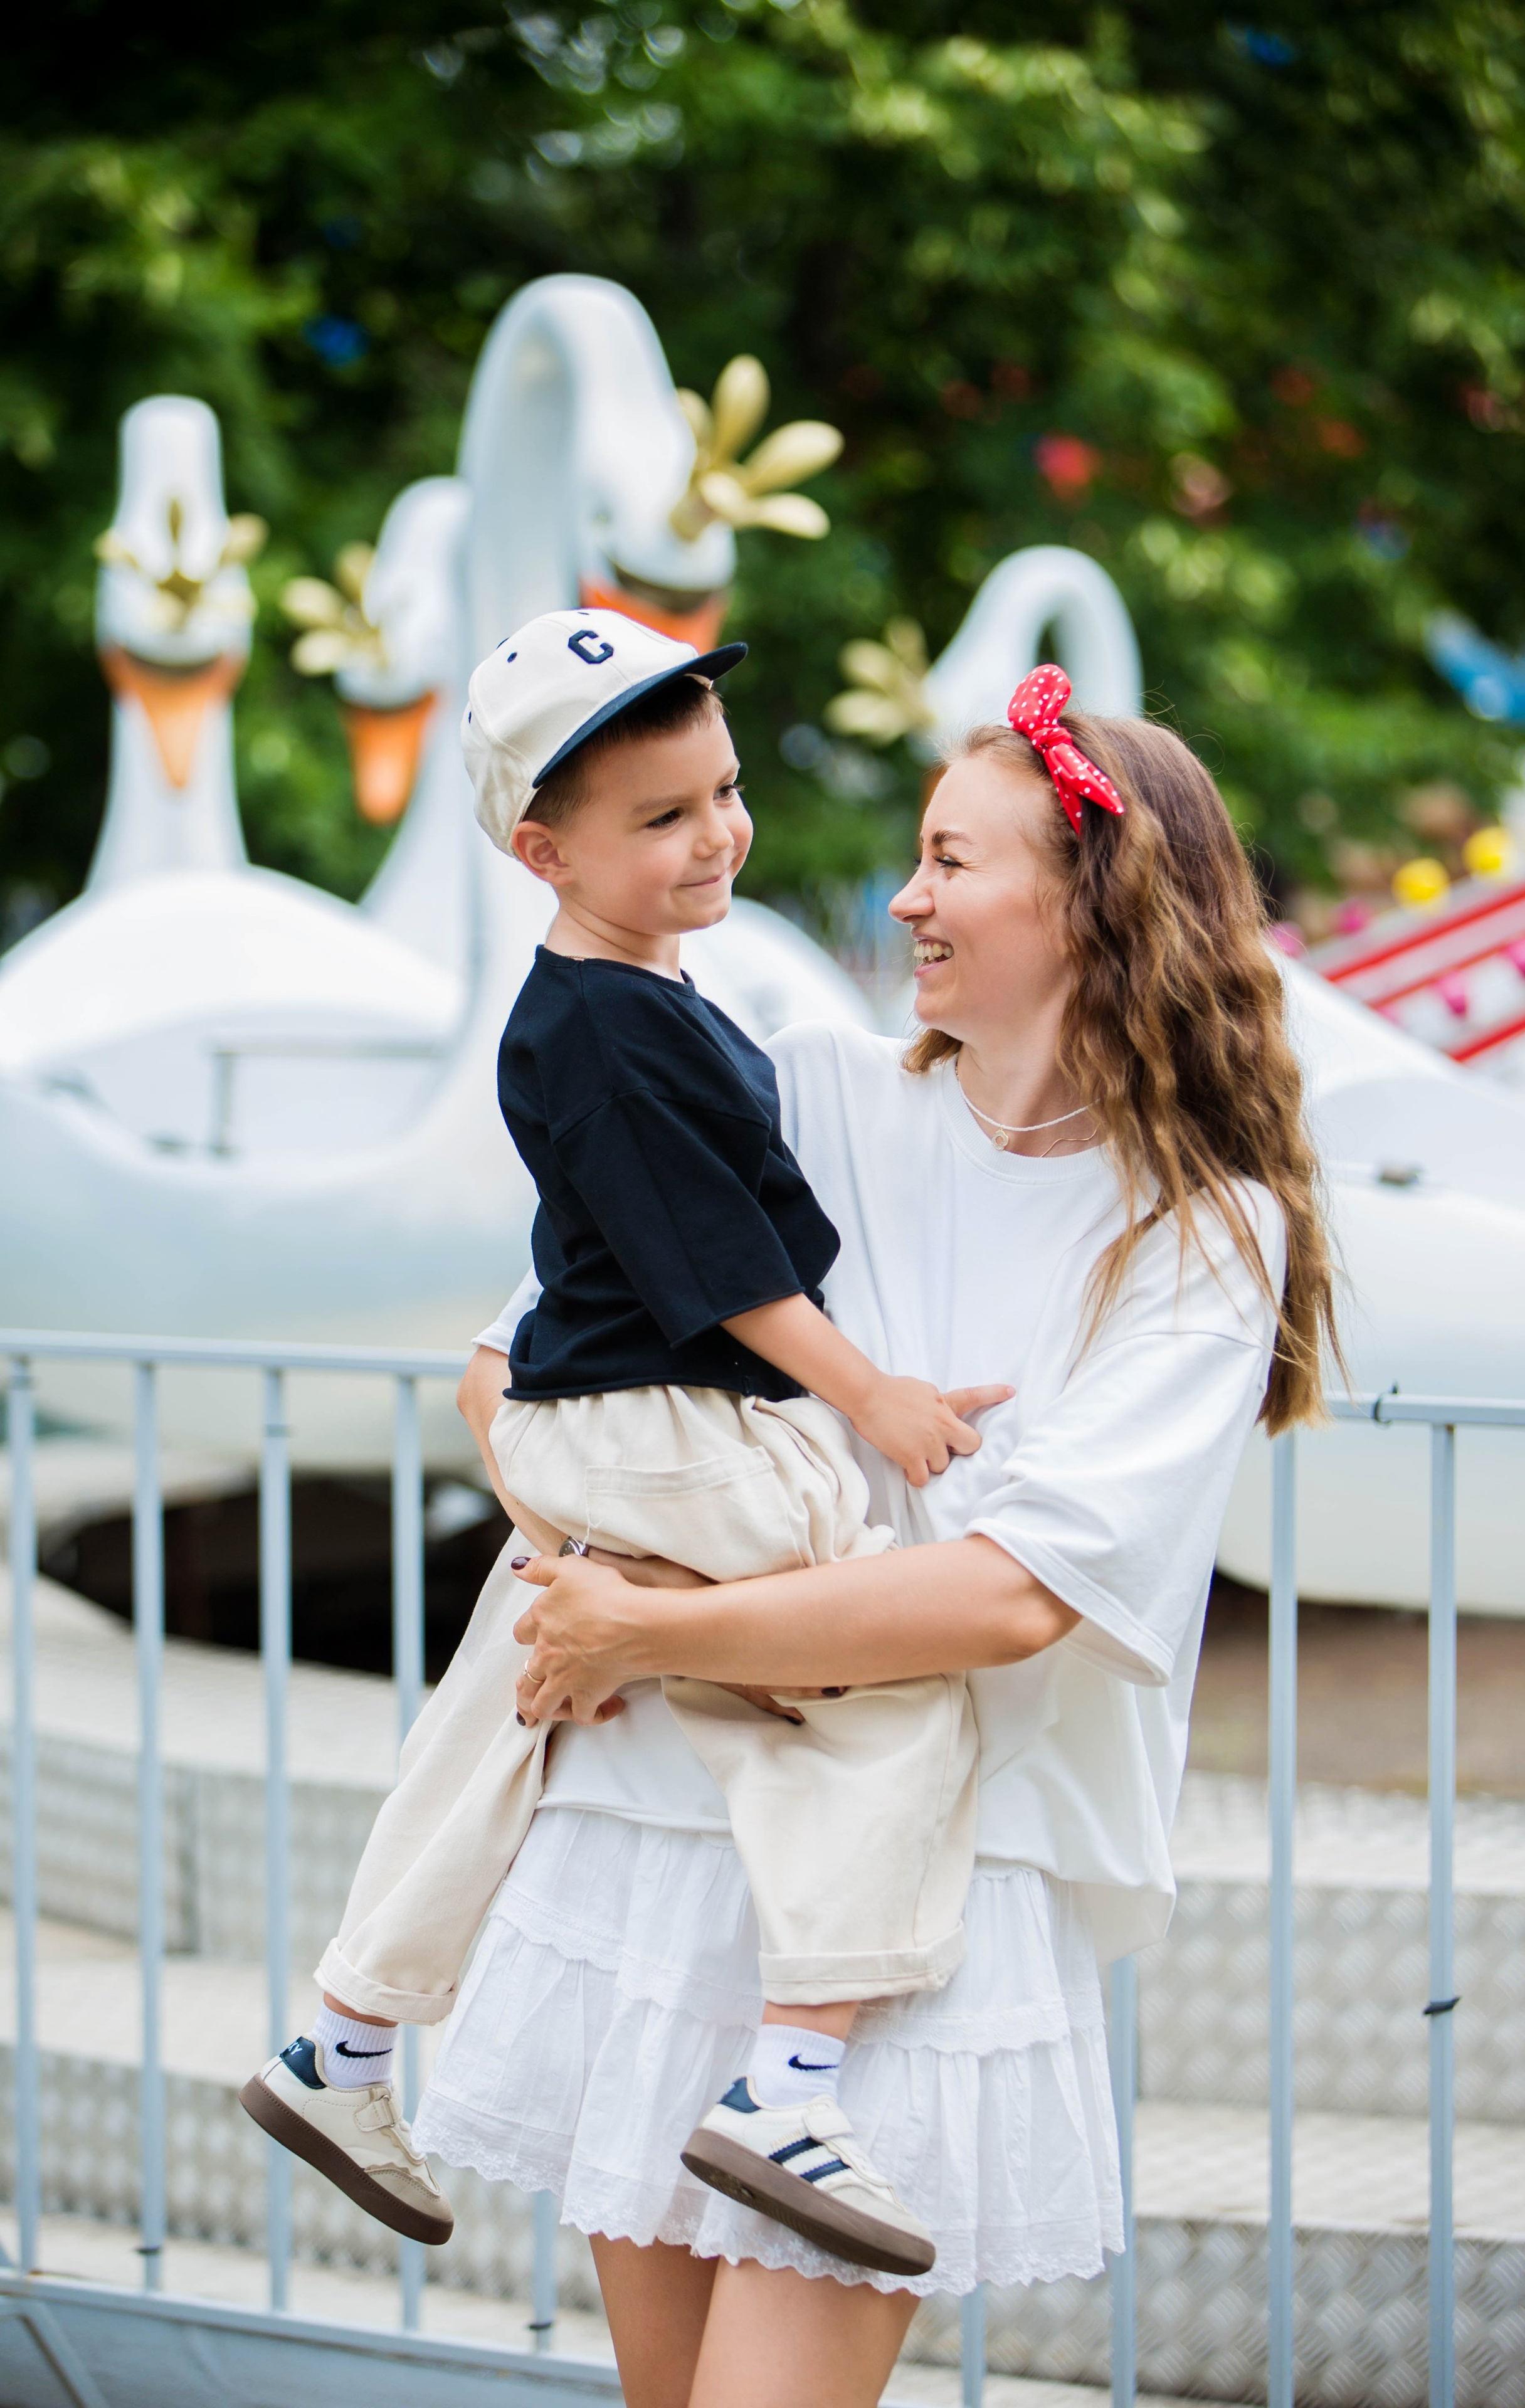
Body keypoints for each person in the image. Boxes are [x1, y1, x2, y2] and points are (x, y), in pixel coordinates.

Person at [411, 672, 1337, 2408]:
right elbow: (509, 1368)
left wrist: (650, 1625)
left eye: (947, 861)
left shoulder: (1206, 1236)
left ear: (1091, 904)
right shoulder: (815, 1094)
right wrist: (599, 1563)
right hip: (674, 1827)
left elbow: (1006, 1601)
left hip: (930, 1893)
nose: (901, 899)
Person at [240, 606, 1015, 2278]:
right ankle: (791, 2081)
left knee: (517, 1695)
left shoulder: (640, 999)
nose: (716, 834)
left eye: (722, 793)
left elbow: (612, 1235)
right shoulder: (604, 1023)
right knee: (884, 1675)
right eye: (662, 819)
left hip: (606, 1424)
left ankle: (346, 2039)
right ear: (544, 849)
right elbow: (710, 1261)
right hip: (665, 1422)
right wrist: (873, 1394)